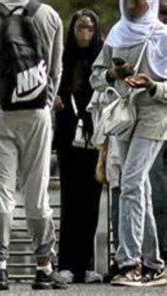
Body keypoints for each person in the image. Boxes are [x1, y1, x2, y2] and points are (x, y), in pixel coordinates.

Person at [0, 0, 67, 290]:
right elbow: (56, 69)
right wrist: (45, 103)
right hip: (37, 112)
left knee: (0, 193)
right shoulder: (49, 15)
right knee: (37, 193)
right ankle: (45, 267)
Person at [90, 0, 167, 287]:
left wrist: (151, 85)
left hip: (154, 115)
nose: (135, 4)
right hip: (123, 117)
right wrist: (114, 74)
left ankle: (129, 261)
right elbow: (96, 77)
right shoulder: (116, 34)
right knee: (138, 187)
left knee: (131, 183)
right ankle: (154, 264)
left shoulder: (163, 35)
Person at [53, 9, 104, 284]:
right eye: (80, 28)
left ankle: (86, 265)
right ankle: (67, 264)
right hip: (67, 135)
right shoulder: (62, 58)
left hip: (95, 136)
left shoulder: (102, 56)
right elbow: (50, 85)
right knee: (70, 200)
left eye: (89, 29)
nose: (85, 33)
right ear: (72, 30)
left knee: (92, 201)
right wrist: (55, 99)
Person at [150, 0, 167, 263]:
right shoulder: (146, 39)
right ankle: (160, 250)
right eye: (162, 12)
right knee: (155, 187)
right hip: (153, 124)